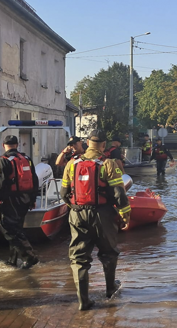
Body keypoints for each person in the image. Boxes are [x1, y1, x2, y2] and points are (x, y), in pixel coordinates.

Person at [61, 130, 131, 311]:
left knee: (78, 258)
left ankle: (83, 300)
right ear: (103, 145)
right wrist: (124, 215)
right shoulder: (108, 164)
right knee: (109, 253)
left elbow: (63, 193)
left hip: (77, 214)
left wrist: (75, 210)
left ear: (87, 143)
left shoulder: (71, 164)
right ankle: (110, 289)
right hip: (102, 214)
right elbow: (119, 194)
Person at [0, 135, 40, 269]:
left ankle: (29, 256)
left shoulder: (4, 160)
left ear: (3, 145)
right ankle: (12, 260)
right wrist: (33, 199)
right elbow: (35, 180)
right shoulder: (27, 159)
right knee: (17, 227)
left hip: (10, 200)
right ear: (17, 145)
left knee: (8, 230)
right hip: (25, 199)